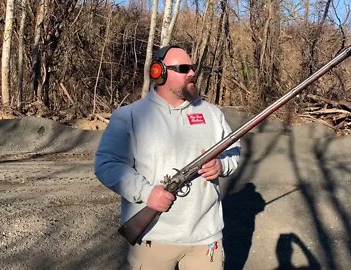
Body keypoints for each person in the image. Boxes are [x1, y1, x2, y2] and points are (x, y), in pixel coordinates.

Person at [94, 45, 241, 270]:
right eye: (183, 68)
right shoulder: (130, 116)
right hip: (154, 237)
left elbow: (234, 151)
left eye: (192, 67)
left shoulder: (212, 114)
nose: (192, 73)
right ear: (158, 73)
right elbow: (107, 164)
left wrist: (222, 165)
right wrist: (146, 192)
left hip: (205, 238)